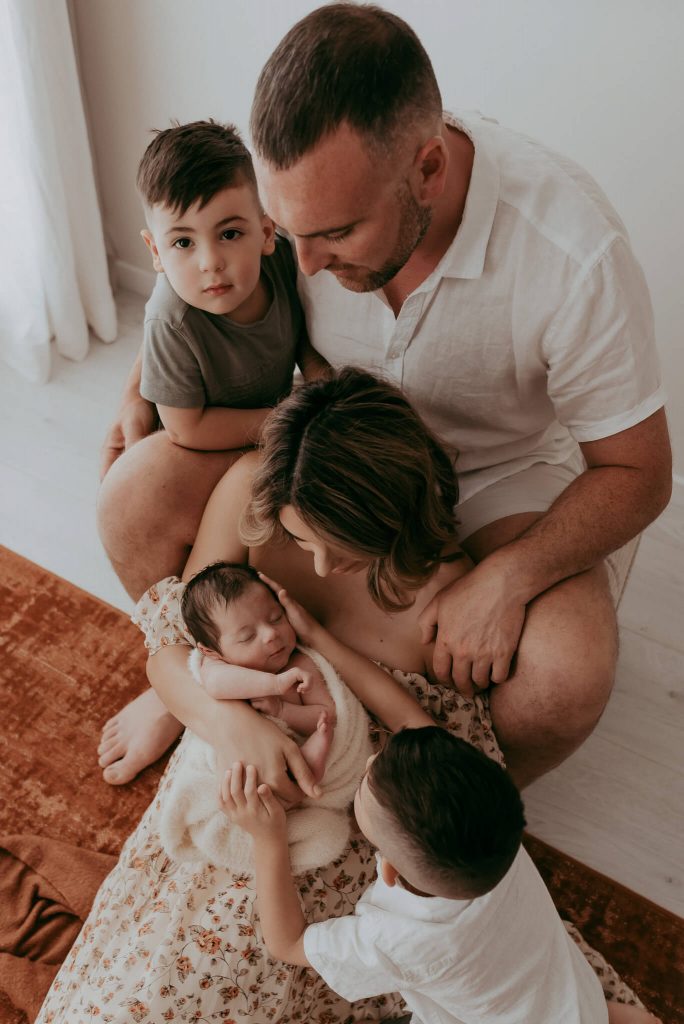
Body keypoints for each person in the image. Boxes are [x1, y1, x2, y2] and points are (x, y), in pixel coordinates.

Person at [97, 4, 671, 789]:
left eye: (333, 235)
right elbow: (198, 253)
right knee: (132, 497)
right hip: (324, 443)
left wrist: (507, 579)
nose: (295, 262)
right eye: (280, 229)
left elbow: (640, 471)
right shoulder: (304, 199)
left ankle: (439, 807)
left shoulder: (574, 256)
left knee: (565, 672)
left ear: (427, 171)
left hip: (491, 470)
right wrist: (142, 380)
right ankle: (209, 676)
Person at [38, 371, 648, 1022]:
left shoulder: (440, 598)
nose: (321, 570)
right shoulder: (251, 490)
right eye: (303, 543)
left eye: (345, 553)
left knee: (251, 961)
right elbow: (173, 648)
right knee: (152, 976)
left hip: (349, 828)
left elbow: (432, 761)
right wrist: (227, 724)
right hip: (233, 769)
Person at [137, 119, 327, 452]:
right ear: (156, 252)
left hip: (271, 421)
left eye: (229, 234)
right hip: (201, 444)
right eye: (183, 242)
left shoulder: (279, 261)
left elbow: (298, 336)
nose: (210, 262)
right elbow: (185, 429)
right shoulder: (170, 320)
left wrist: (323, 386)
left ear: (266, 234)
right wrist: (286, 418)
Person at [181, 561, 337, 782]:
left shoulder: (301, 665)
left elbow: (326, 716)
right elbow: (215, 686)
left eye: (276, 618)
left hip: (288, 753)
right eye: (247, 637)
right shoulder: (218, 667)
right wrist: (274, 684)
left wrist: (283, 710)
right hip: (235, 757)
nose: (270, 634)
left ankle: (305, 767)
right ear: (212, 651)